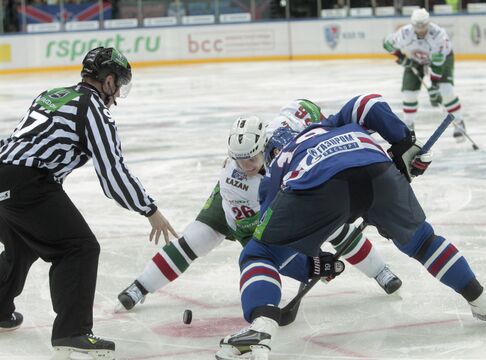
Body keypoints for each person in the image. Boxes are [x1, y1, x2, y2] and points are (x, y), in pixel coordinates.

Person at [215, 93, 486, 360]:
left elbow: (278, 241)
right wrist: (404, 144)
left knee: (260, 253)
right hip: (377, 169)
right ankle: (483, 301)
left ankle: (261, 329)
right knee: (423, 242)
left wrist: (311, 265)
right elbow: (368, 103)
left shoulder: (276, 170)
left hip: (318, 187)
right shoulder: (333, 124)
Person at [0, 47, 177, 360]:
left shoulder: (53, 93)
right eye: (118, 85)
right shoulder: (95, 111)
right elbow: (113, 174)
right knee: (79, 247)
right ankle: (72, 332)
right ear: (107, 81)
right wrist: (150, 209)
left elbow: (37, 144)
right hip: (25, 184)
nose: (118, 95)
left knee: (21, 247)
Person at [116, 99, 403, 312]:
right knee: (195, 241)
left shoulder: (285, 132)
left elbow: (305, 108)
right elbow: (257, 240)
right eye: (239, 160)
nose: (246, 166)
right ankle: (141, 286)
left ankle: (380, 271)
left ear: (264, 144)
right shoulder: (235, 181)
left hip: (288, 191)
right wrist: (306, 266)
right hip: (243, 210)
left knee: (336, 227)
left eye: (251, 159)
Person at [383, 8, 467, 141]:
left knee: (446, 90)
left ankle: (459, 122)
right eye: (417, 26)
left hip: (442, 60)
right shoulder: (405, 33)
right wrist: (401, 57)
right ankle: (408, 126)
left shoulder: (439, 35)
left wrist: (434, 85)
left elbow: (437, 65)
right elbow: (387, 44)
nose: (421, 29)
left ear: (428, 23)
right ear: (412, 24)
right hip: (416, 61)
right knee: (409, 94)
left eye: (423, 25)